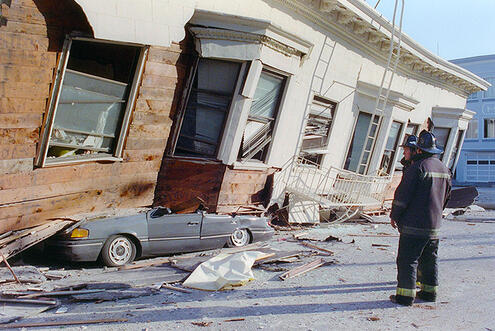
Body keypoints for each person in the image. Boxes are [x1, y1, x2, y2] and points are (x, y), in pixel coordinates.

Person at [389, 130, 451, 306]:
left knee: (408, 260)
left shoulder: (418, 168)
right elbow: (446, 197)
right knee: (429, 259)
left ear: (418, 150)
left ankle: (405, 296)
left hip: (414, 225)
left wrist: (395, 215)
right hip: (434, 226)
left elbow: (402, 197)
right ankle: (429, 293)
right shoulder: (444, 169)